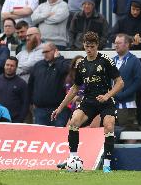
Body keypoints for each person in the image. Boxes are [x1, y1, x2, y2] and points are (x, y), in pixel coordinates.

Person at [51, 31, 124, 173]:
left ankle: (107, 165)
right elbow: (75, 88)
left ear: (97, 46)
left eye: (92, 46)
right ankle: (73, 159)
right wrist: (60, 108)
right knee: (73, 122)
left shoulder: (105, 61)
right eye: (86, 46)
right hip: (89, 100)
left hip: (105, 100)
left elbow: (120, 82)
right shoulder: (82, 65)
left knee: (109, 126)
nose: (89, 49)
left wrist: (107, 95)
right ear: (83, 46)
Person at [28, 42, 71, 126]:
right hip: (40, 110)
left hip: (59, 110)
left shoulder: (63, 63)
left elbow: (66, 70)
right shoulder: (38, 65)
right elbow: (31, 85)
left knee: (59, 136)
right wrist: (31, 102)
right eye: (43, 52)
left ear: (55, 51)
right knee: (40, 135)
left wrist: (58, 59)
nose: (45, 54)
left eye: (47, 52)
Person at [113, 33, 141, 134]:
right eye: (115, 43)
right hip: (112, 104)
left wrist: (122, 95)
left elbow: (138, 81)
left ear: (127, 45)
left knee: (128, 132)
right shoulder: (112, 60)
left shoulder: (134, 60)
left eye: (119, 43)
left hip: (127, 104)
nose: (116, 45)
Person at [0, 56, 29, 123]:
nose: (9, 67)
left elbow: (25, 103)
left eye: (12, 65)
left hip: (14, 120)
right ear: (4, 66)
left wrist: (20, 120)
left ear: (16, 67)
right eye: (7, 65)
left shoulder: (22, 83)